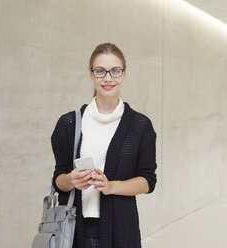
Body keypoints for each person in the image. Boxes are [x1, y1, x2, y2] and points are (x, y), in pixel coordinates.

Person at [51, 43, 157, 248]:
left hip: (122, 230)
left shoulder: (140, 125)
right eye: (100, 71)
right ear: (91, 74)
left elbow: (148, 181)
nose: (108, 78)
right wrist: (71, 180)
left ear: (124, 74)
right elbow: (58, 180)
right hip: (73, 230)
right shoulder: (68, 123)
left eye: (115, 71)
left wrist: (111, 186)